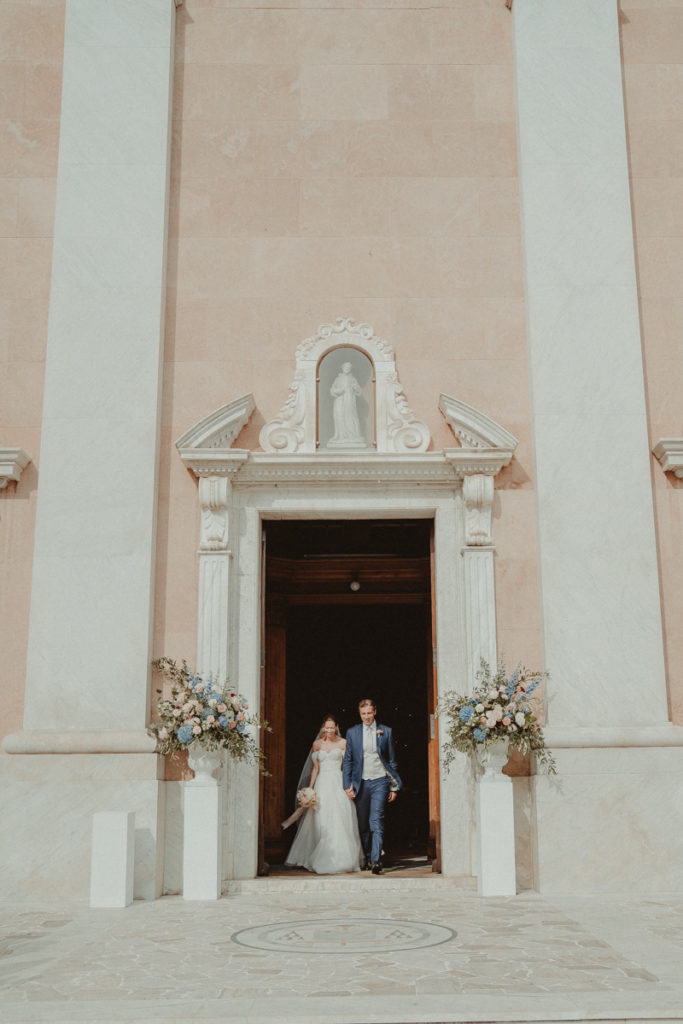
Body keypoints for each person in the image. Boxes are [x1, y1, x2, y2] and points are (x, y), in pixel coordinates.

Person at [283, 715, 363, 874]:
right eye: (327, 727)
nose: (329, 730)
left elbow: (348, 766)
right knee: (321, 819)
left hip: (337, 782)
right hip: (322, 783)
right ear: (323, 728)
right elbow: (315, 769)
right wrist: (310, 789)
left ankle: (343, 858)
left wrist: (350, 784)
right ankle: (315, 854)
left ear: (336, 727)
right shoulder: (317, 744)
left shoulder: (343, 743)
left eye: (332, 727)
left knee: (339, 817)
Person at [343, 698, 402, 874]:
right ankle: (368, 856)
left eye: (369, 713)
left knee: (376, 820)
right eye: (363, 714)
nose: (367, 717)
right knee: (362, 824)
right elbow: (348, 761)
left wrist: (393, 786)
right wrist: (347, 785)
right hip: (361, 782)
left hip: (380, 781)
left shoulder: (386, 732)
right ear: (360, 714)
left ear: (375, 712)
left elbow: (392, 761)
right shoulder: (352, 733)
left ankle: (376, 860)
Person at [328, 362, 366, 447]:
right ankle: (340, 436)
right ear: (342, 367)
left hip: (349, 400)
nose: (347, 368)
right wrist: (338, 391)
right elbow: (332, 390)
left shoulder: (352, 379)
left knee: (350, 416)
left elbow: (359, 391)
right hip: (339, 401)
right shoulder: (338, 379)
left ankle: (353, 436)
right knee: (339, 417)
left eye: (349, 367)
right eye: (346, 367)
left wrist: (355, 387)